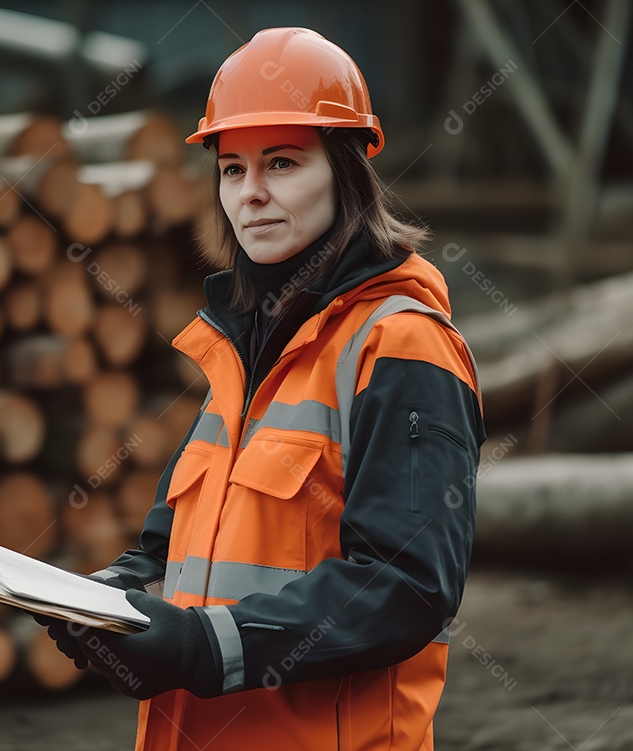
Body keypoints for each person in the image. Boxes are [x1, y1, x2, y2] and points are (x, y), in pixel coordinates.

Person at [37, 27, 486, 751]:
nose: (252, 194)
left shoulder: (401, 343)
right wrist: (100, 600)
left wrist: (199, 645)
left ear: (345, 172)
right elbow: (164, 548)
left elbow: (406, 585)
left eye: (282, 163)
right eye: (233, 168)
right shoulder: (240, 350)